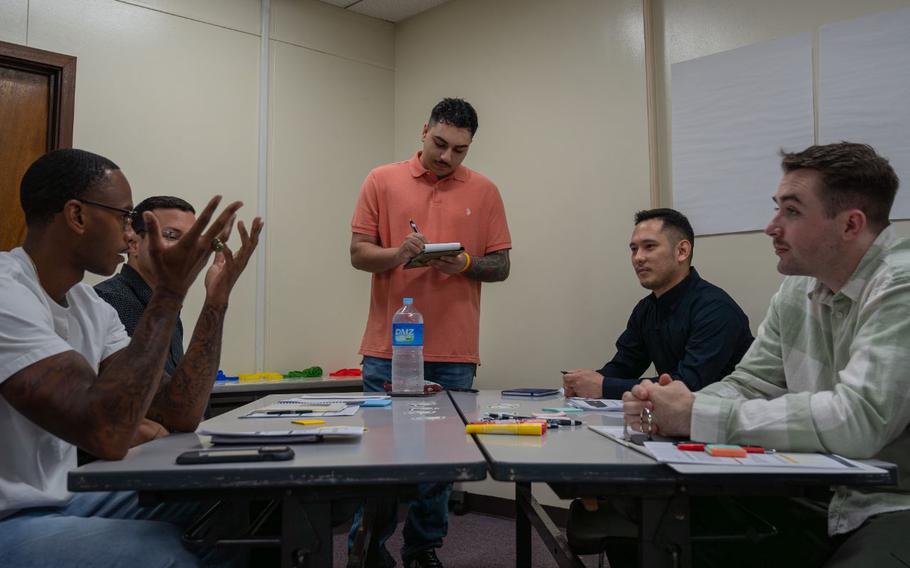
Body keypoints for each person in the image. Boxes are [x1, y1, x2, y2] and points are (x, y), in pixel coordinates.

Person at [622, 142, 910, 567]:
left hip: (890, 504)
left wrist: (695, 415)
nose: (771, 226)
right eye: (777, 208)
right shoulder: (797, 288)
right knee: (652, 523)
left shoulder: (899, 286)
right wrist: (669, 405)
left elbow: (859, 420)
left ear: (850, 225)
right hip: (815, 489)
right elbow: (749, 383)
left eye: (791, 212)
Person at [0, 148, 262, 567]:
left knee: (242, 499)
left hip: (65, 498)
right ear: (77, 215)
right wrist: (170, 292)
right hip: (10, 519)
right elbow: (106, 431)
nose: (129, 234)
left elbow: (178, 415)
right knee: (162, 555)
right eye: (124, 216)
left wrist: (216, 300)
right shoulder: (6, 291)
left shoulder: (91, 306)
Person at [349, 98, 511, 567]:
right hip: (387, 347)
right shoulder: (382, 180)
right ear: (424, 131)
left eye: (459, 150)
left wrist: (463, 263)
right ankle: (368, 551)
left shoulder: (485, 191)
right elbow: (359, 254)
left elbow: (500, 266)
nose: (447, 156)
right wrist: (400, 253)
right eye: (440, 143)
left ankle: (423, 551)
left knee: (440, 465)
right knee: (378, 458)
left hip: (454, 352)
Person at [563, 208, 753, 400]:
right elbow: (625, 366)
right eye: (634, 249)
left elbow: (689, 384)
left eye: (649, 246)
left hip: (725, 421)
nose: (638, 258)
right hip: (676, 419)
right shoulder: (646, 309)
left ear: (682, 251)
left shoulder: (716, 309)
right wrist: (584, 382)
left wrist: (604, 387)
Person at [95, 196, 196, 375]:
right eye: (171, 236)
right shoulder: (107, 301)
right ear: (133, 244)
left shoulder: (167, 306)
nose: (185, 249)